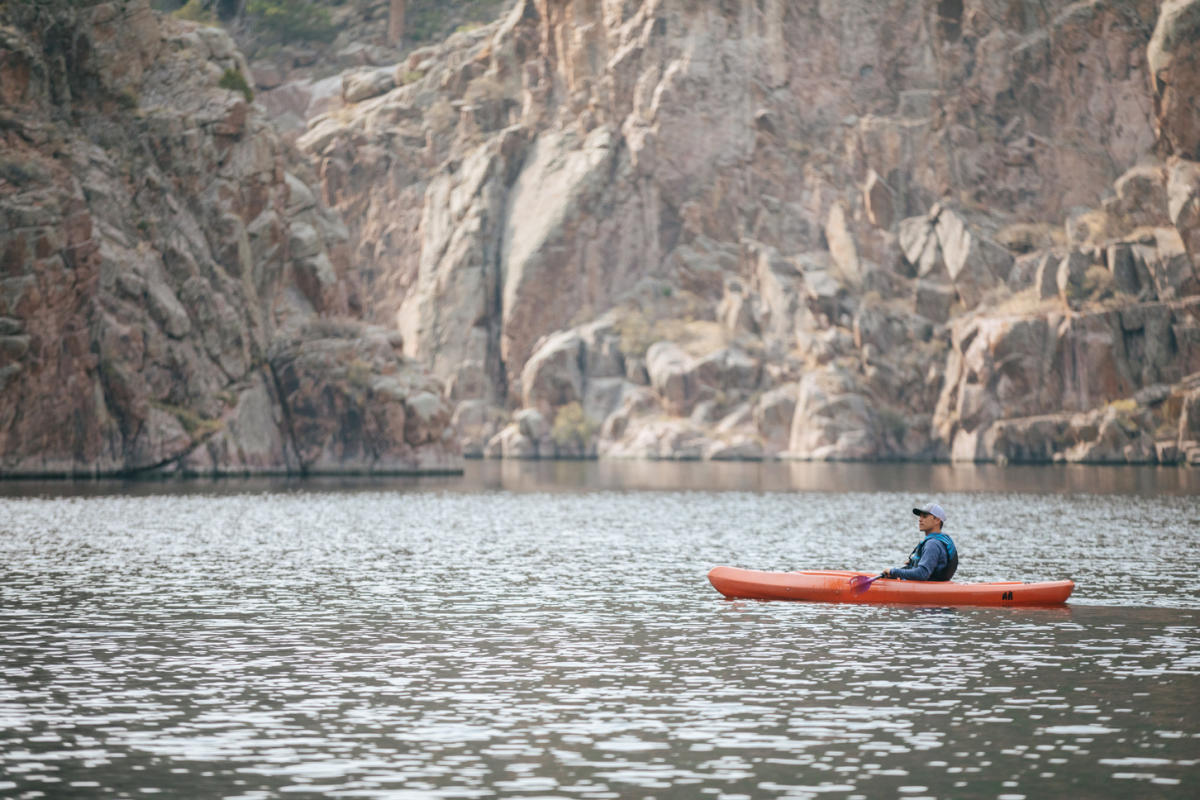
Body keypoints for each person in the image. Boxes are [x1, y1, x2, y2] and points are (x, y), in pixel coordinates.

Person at [881, 502, 958, 581]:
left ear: (937, 520)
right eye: (920, 516)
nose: (920, 519)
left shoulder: (933, 544)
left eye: (924, 516)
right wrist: (914, 563)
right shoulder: (939, 540)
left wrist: (893, 571)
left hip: (930, 587)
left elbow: (922, 574)